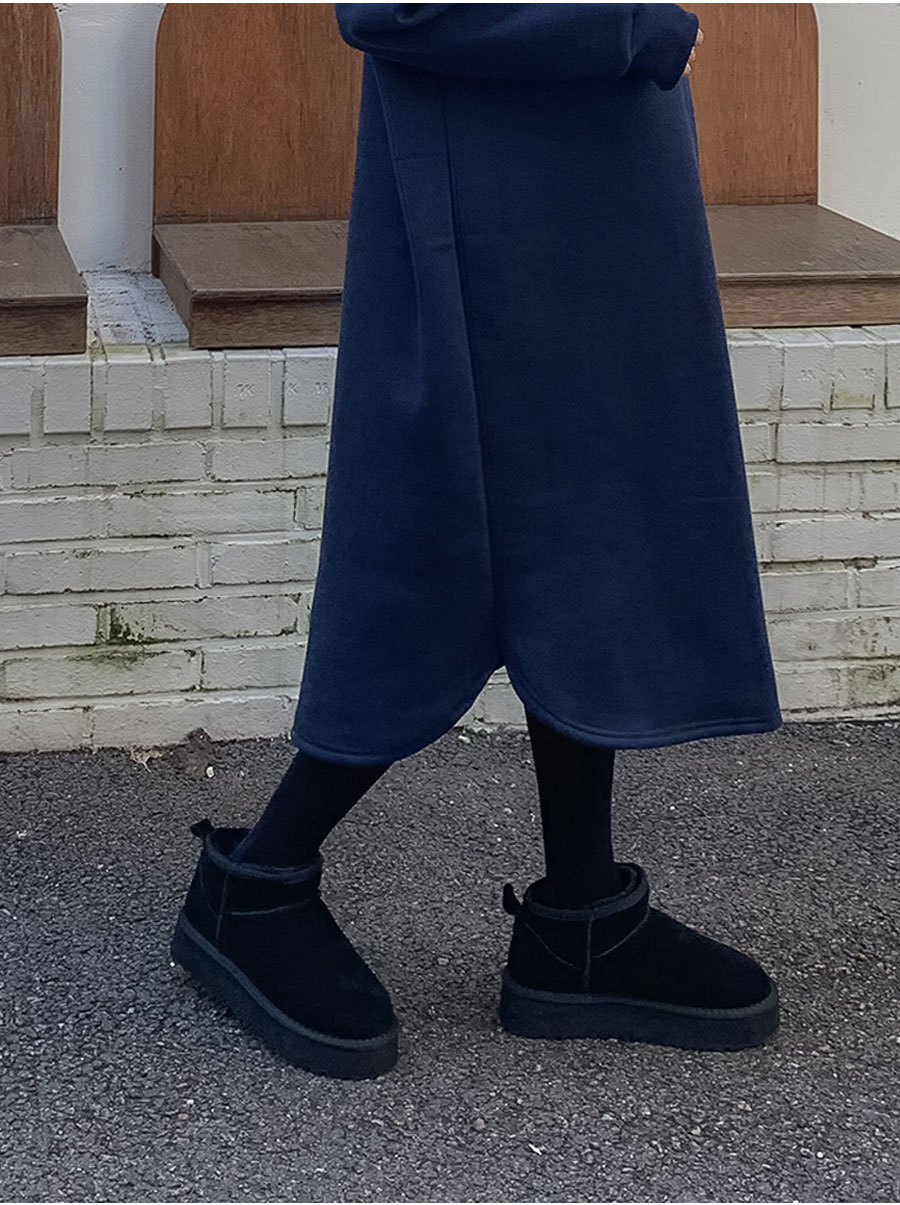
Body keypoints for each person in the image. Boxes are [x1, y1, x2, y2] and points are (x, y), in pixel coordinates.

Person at [170, 3, 782, 1080]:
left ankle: (581, 914)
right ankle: (255, 882)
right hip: (494, 212)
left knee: (584, 535)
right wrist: (627, 26)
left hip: (587, 195)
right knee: (435, 544)